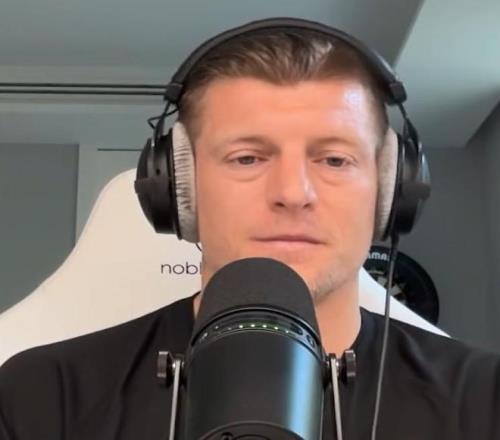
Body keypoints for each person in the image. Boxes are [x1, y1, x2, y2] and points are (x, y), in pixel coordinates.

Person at [1, 18, 499, 440]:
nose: (293, 193)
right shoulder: (43, 394)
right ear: (179, 187)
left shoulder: (484, 399)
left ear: (390, 190)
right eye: (247, 158)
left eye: (334, 159)